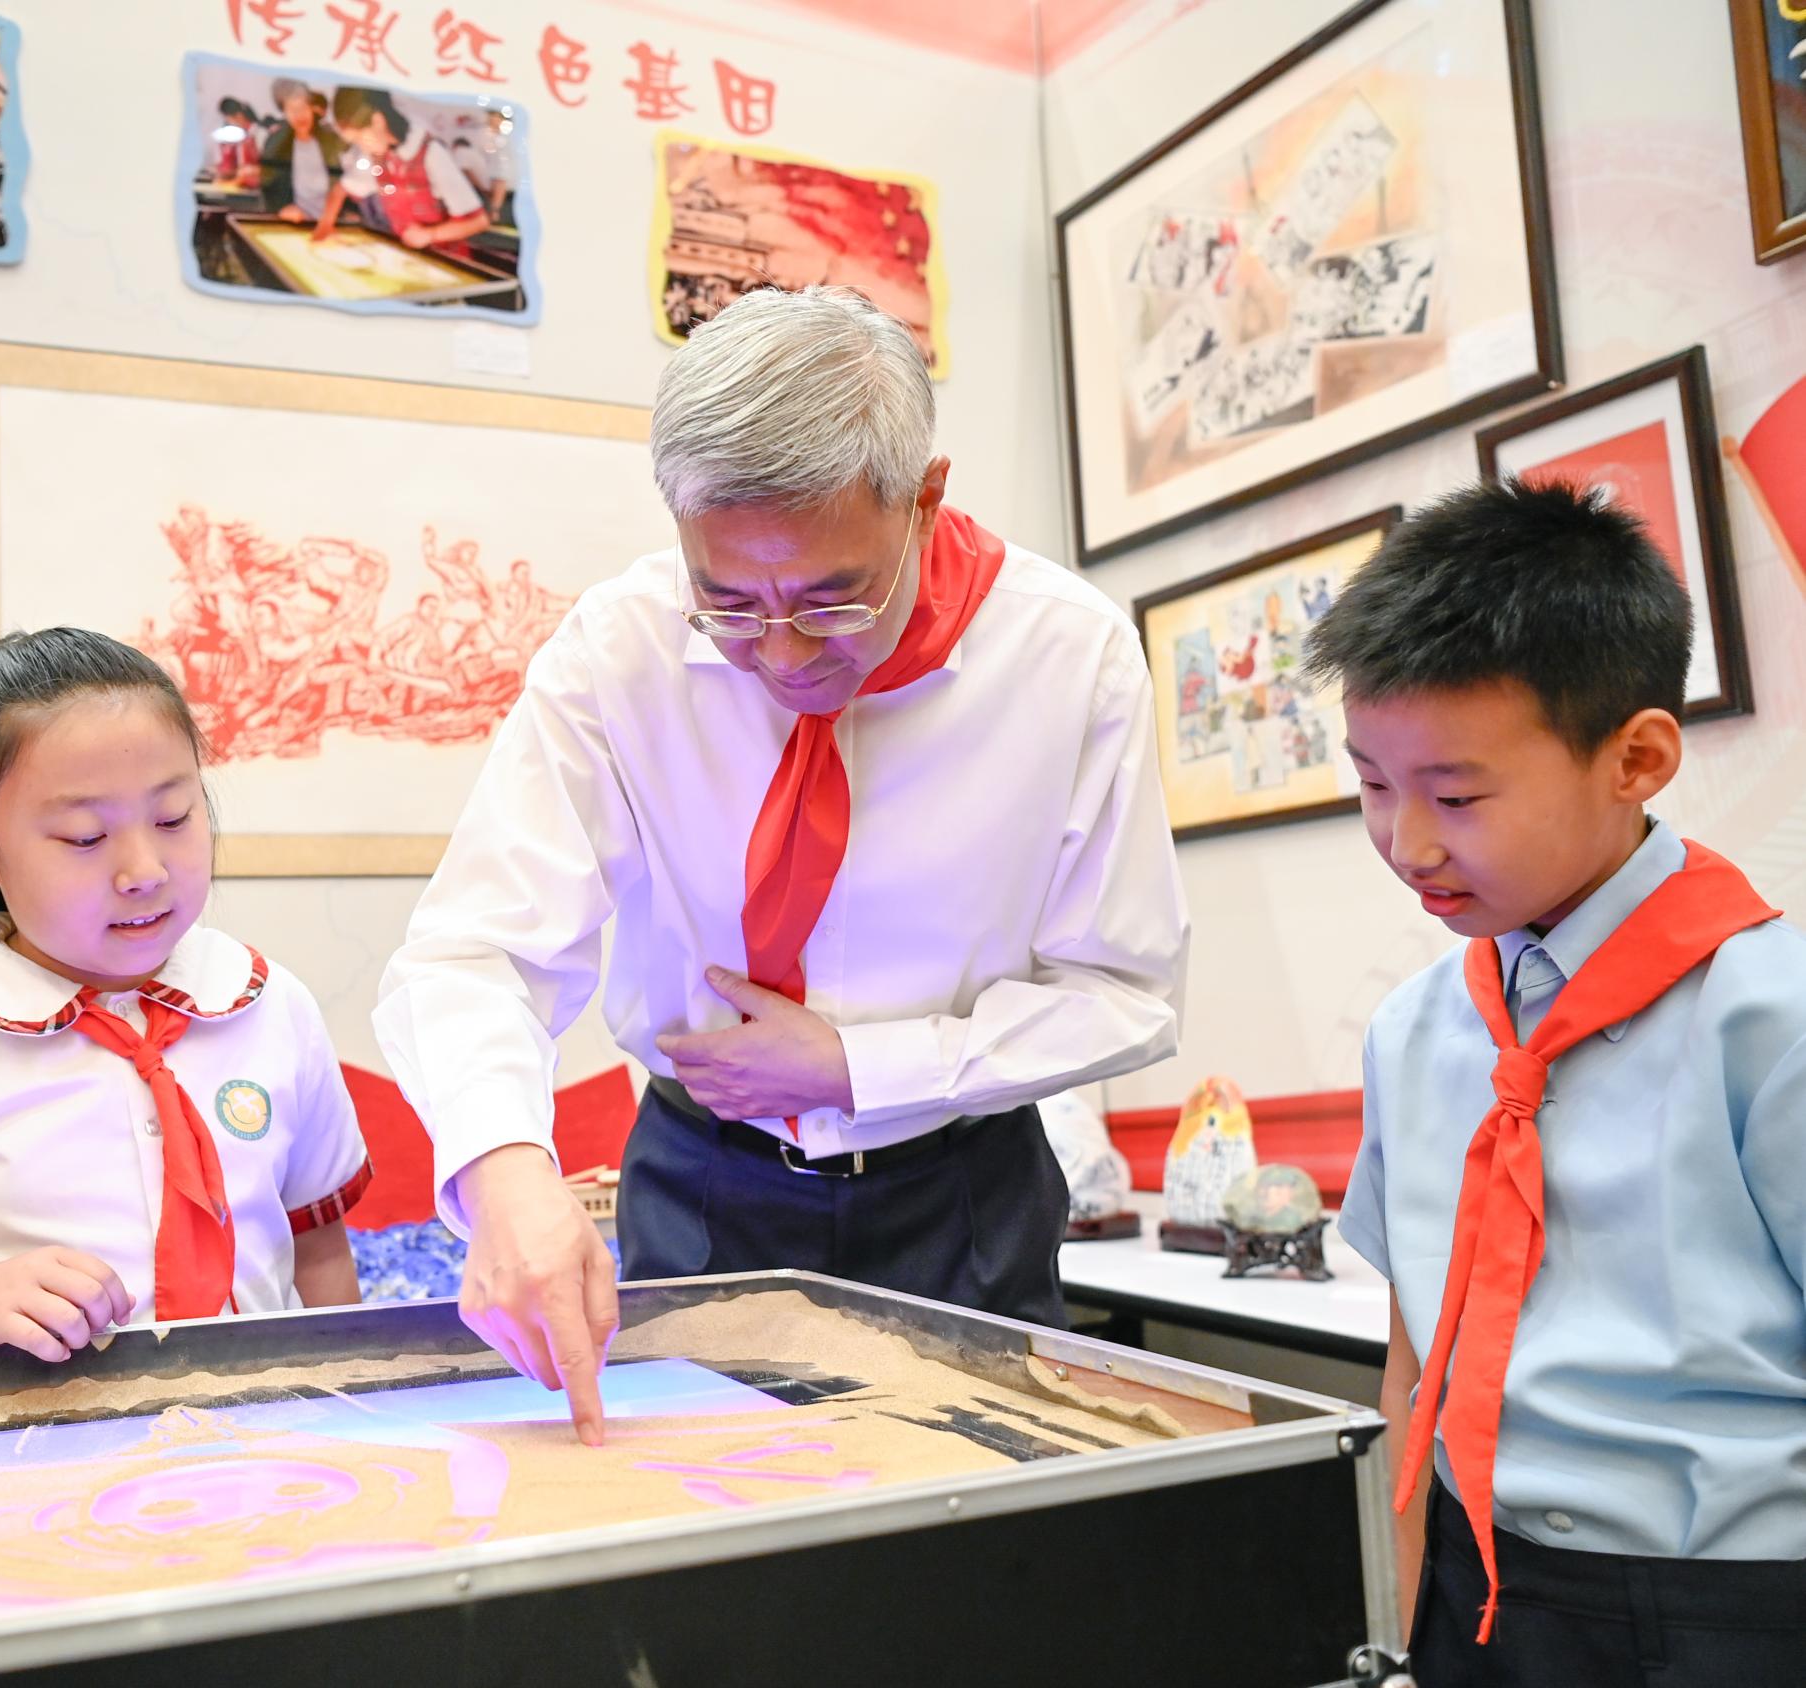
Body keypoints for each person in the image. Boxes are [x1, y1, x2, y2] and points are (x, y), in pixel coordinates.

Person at [374, 287, 1188, 1443]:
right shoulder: (619, 649)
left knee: (976, 1520)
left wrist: (861, 1066)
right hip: (702, 1184)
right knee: (700, 1513)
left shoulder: (1068, 655)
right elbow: (471, 951)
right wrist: (505, 1169)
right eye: (729, 602)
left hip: (961, 1192)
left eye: (831, 599)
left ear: (923, 498)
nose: (784, 652)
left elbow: (1126, 988)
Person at [1309, 479, 1806, 1687]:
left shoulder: (1771, 1016)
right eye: (1372, 783)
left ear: (1635, 757)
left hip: (1730, 1608)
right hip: (1475, 1591)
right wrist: (1399, 1622)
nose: (1408, 842)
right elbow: (1415, 1361)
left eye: (1457, 795)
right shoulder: (1416, 1029)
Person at [0, 629, 371, 1360]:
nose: (144, 870)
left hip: (258, 1424)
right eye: (85, 837)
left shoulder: (270, 1005)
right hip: (23, 1429)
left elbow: (318, 1253)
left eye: (174, 818)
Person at [315, 86, 489, 258]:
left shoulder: (429, 152)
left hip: (446, 260)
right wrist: (325, 225)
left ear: (378, 120)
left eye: (361, 138)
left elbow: (478, 222)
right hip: (409, 257)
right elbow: (340, 190)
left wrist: (430, 234)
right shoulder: (377, 155)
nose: (363, 147)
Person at [257, 78, 347, 224]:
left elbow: (349, 177)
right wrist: (283, 208)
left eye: (303, 107)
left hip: (335, 223)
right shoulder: (275, 143)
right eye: (292, 109)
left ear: (311, 107)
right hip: (296, 224)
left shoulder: (333, 140)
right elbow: (268, 186)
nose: (299, 115)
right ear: (284, 112)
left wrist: (349, 212)